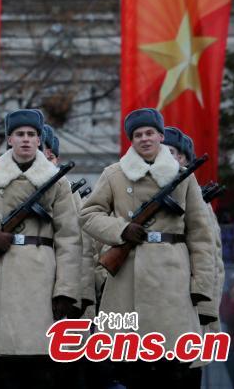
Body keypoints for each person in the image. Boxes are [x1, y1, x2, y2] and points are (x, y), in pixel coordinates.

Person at [80, 108, 215, 389]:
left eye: (150, 133)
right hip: (128, 277)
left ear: (161, 136)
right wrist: (120, 230)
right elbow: (88, 214)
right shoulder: (114, 174)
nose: (144, 139)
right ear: (132, 140)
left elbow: (201, 235)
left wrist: (201, 286)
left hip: (173, 281)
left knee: (174, 368)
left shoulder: (183, 176)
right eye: (138, 134)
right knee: (132, 370)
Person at [0, 109, 81, 389]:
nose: (25, 140)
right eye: (19, 134)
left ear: (39, 140)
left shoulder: (57, 181)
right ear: (9, 139)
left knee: (41, 370)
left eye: (31, 135)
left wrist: (66, 290)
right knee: (4, 369)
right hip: (1, 275)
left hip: (42, 278)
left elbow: (69, 239)